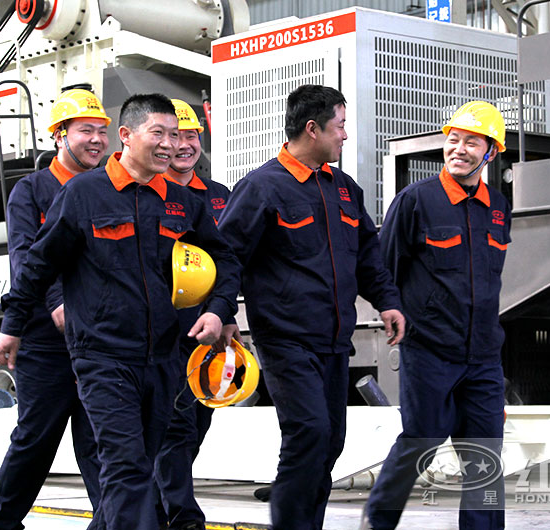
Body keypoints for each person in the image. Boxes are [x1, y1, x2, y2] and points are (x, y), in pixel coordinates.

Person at [0, 93, 241, 530]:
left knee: (136, 465)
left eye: (176, 135)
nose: (170, 144)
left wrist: (219, 310)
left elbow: (226, 259)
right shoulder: (82, 194)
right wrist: (12, 326)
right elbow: (36, 264)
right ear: (127, 136)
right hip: (102, 355)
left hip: (161, 358)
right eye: (159, 133)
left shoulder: (181, 201)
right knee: (122, 466)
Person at [217, 84, 406, 530]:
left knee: (330, 441)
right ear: (312, 129)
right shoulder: (262, 187)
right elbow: (227, 255)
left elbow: (367, 256)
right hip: (285, 339)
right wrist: (222, 312)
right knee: (309, 434)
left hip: (335, 341)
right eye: (340, 126)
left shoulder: (345, 190)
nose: (345, 135)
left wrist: (388, 302)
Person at [361, 100, 511, 530]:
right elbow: (384, 270)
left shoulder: (498, 207)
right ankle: (377, 522)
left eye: (471, 142)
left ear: (490, 152)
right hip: (430, 350)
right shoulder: (416, 201)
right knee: (421, 440)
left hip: (483, 355)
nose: (458, 149)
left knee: (485, 456)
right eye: (453, 140)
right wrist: (396, 313)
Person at [0, 87, 108, 530]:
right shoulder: (31, 191)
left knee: (101, 443)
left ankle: (110, 524)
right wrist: (54, 302)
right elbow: (26, 256)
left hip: (98, 337)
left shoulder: (105, 189)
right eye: (85, 130)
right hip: (46, 341)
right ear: (59, 135)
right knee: (36, 438)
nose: (97, 139)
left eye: (102, 131)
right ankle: (3, 524)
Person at [154, 99, 233, 530]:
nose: (184, 145)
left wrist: (226, 312)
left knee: (200, 420)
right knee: (176, 425)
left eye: (191, 136)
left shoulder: (219, 197)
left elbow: (232, 259)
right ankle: (183, 516)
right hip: (166, 330)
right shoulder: (148, 193)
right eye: (176, 136)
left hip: (211, 326)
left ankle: (158, 503)